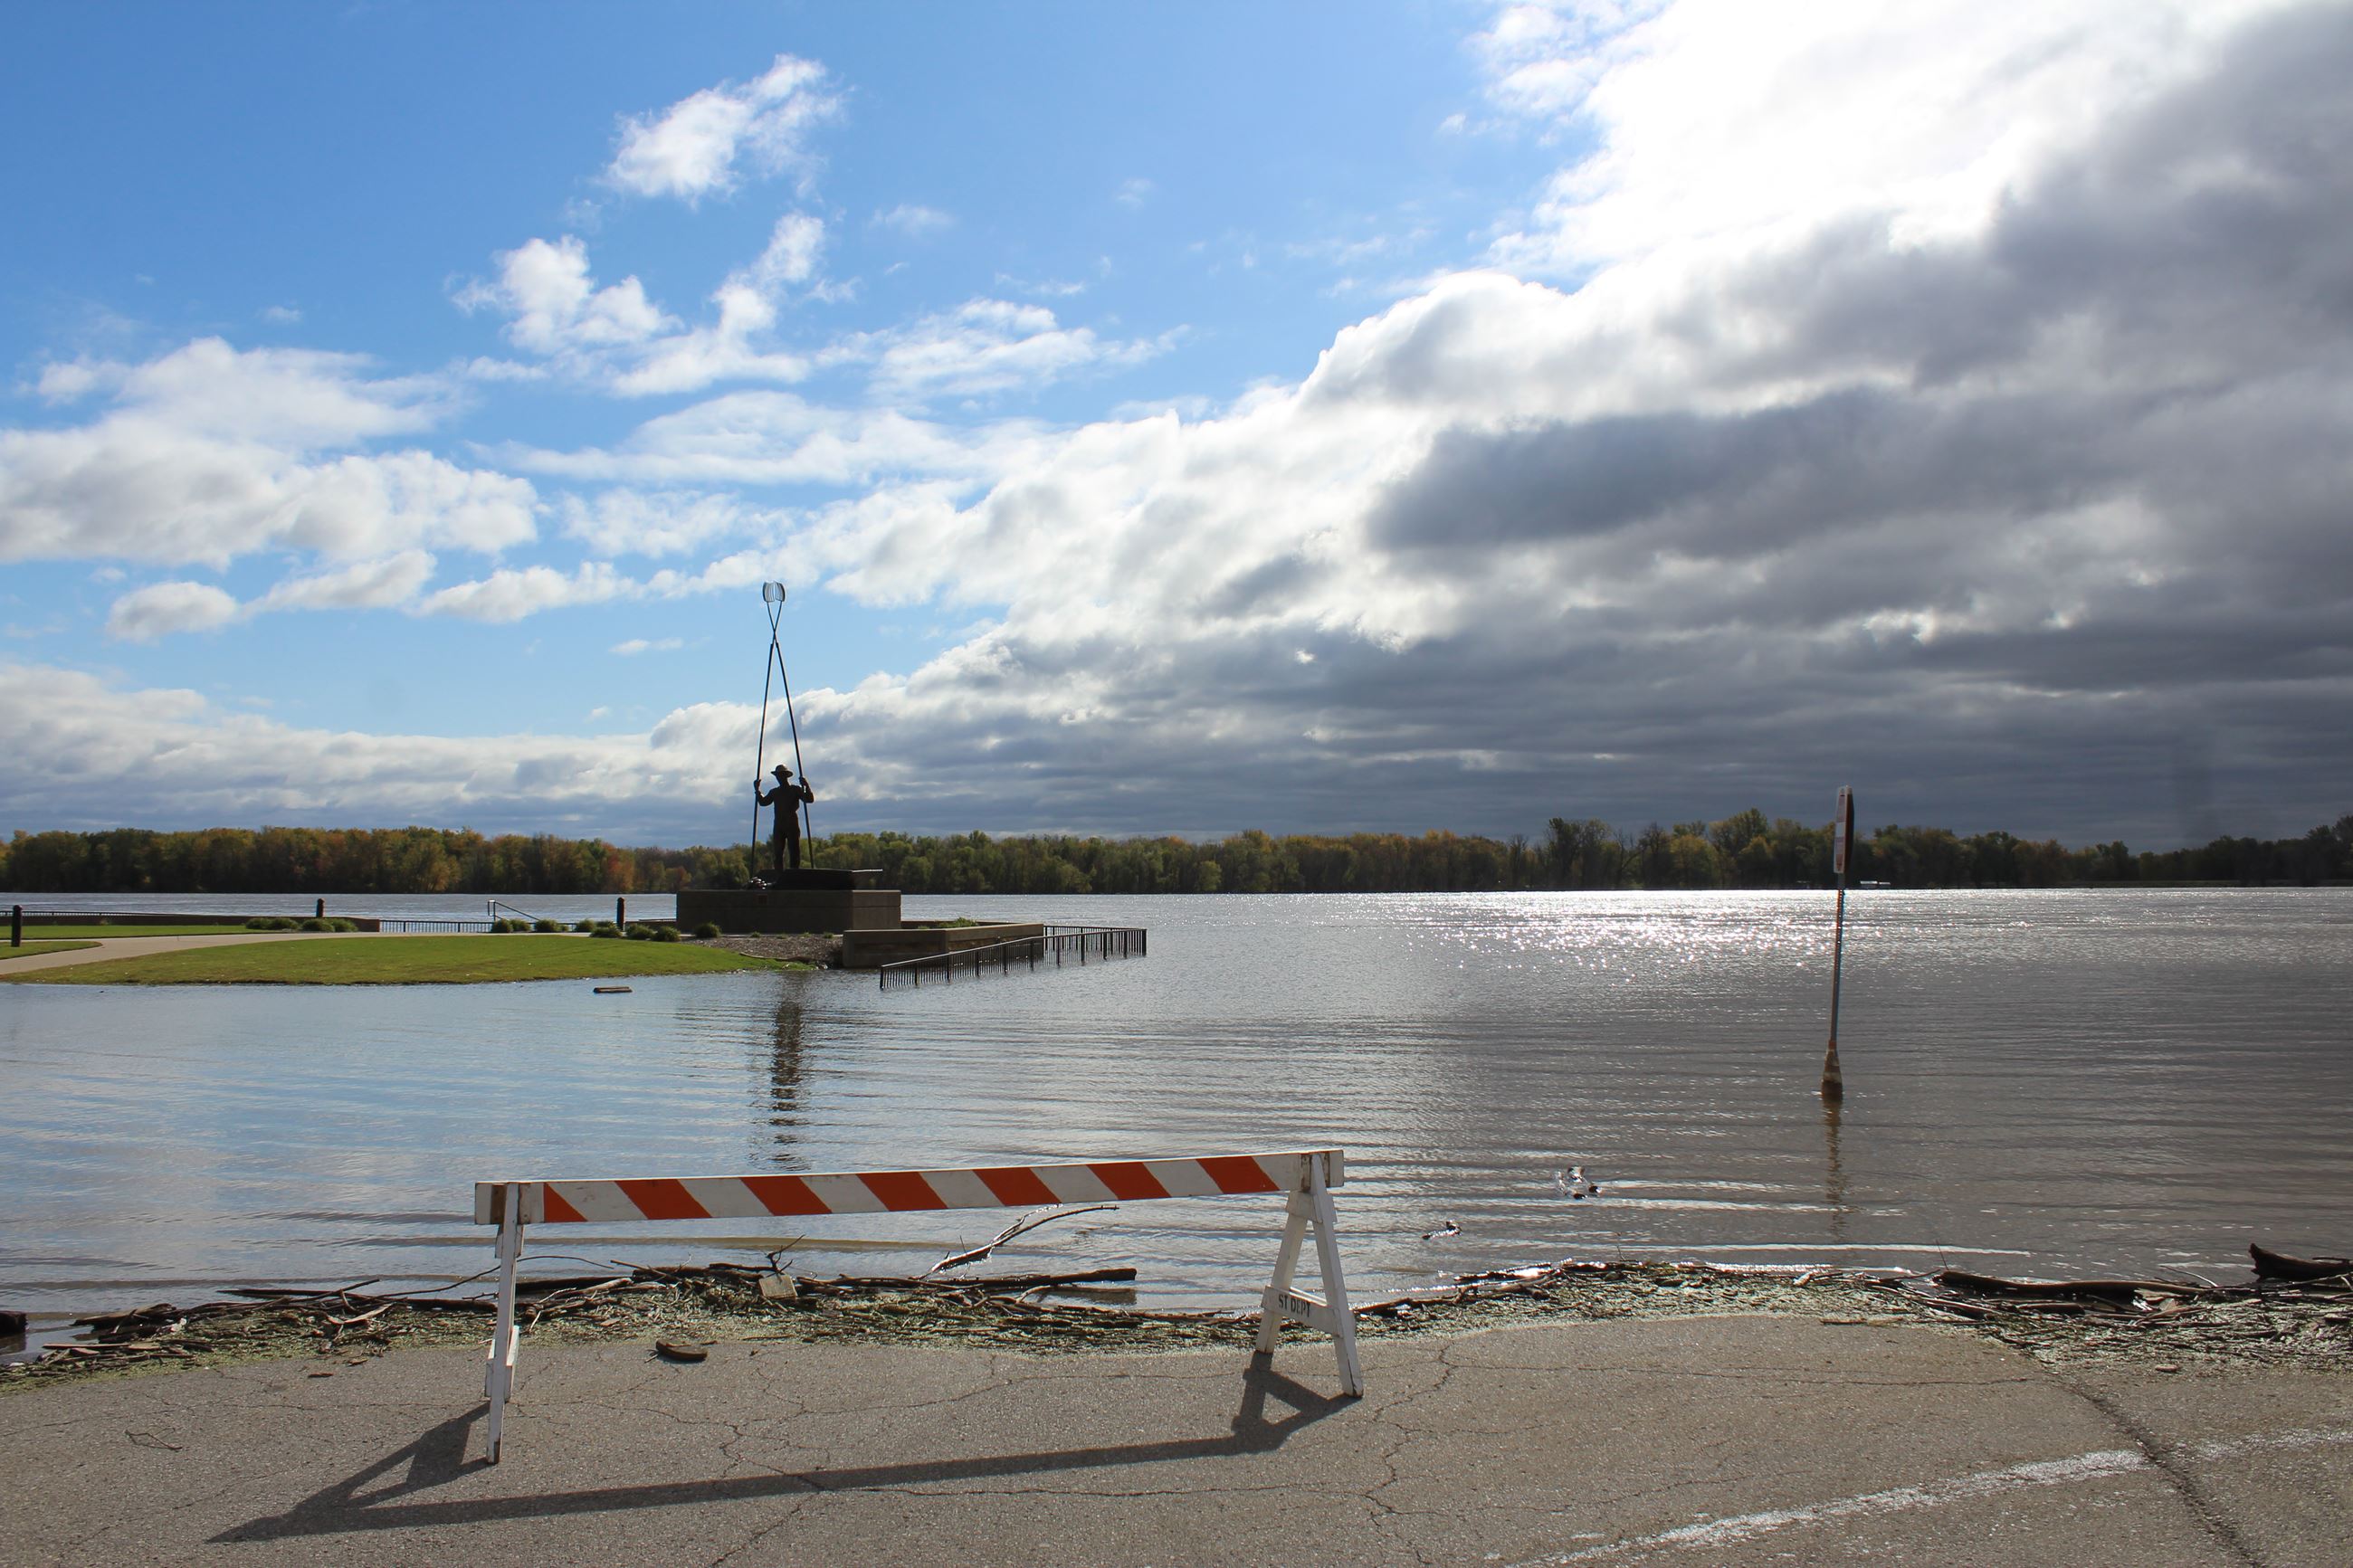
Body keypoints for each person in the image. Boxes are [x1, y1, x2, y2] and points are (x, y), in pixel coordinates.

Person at [755, 765, 816, 873]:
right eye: (778, 776)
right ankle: (779, 876)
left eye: (782, 775)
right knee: (778, 853)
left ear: (786, 776)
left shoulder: (795, 789)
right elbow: (763, 802)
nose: (779, 778)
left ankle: (794, 875)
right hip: (779, 825)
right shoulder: (775, 792)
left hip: (792, 823)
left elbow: (809, 800)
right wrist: (757, 790)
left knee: (794, 851)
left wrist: (807, 786)